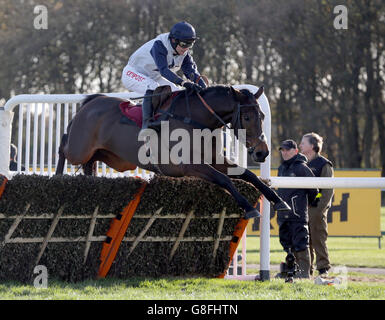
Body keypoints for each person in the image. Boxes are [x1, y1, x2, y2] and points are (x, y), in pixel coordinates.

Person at [121, 21, 207, 131]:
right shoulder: (160, 45)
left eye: (190, 44)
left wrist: (204, 88)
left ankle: (171, 123)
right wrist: (184, 82)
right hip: (133, 73)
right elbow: (164, 71)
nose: (186, 48)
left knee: (176, 92)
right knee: (154, 88)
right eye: (184, 44)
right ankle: (146, 125)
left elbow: (192, 73)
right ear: (173, 40)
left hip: (153, 75)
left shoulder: (184, 53)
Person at [276, 139, 319, 279]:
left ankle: (304, 273)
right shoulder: (281, 168)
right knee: (286, 244)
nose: (284, 152)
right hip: (283, 215)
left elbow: (316, 190)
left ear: (295, 151)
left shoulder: (302, 167)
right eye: (282, 150)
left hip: (297, 215)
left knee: (300, 243)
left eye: (287, 150)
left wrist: (313, 202)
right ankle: (291, 271)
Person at [300, 132, 334, 276]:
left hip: (316, 209)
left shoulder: (324, 164)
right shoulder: (301, 163)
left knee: (317, 238)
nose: (300, 145)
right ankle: (306, 269)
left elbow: (325, 191)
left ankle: (323, 268)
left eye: (303, 142)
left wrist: (317, 207)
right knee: (303, 240)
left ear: (312, 146)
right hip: (302, 209)